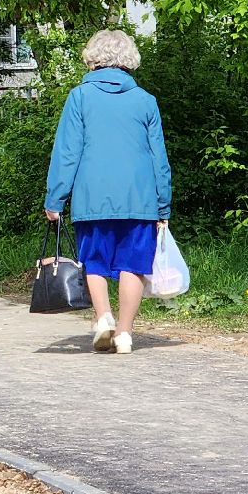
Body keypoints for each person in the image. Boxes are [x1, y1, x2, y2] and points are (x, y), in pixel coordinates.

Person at [43, 29, 172, 355]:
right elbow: (159, 157)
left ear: (93, 57)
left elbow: (67, 151)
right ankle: (125, 335)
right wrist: (163, 206)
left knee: (95, 262)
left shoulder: (80, 97)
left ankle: (103, 320)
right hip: (139, 198)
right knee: (134, 265)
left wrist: (55, 198)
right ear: (129, 58)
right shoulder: (145, 101)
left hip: (92, 197)